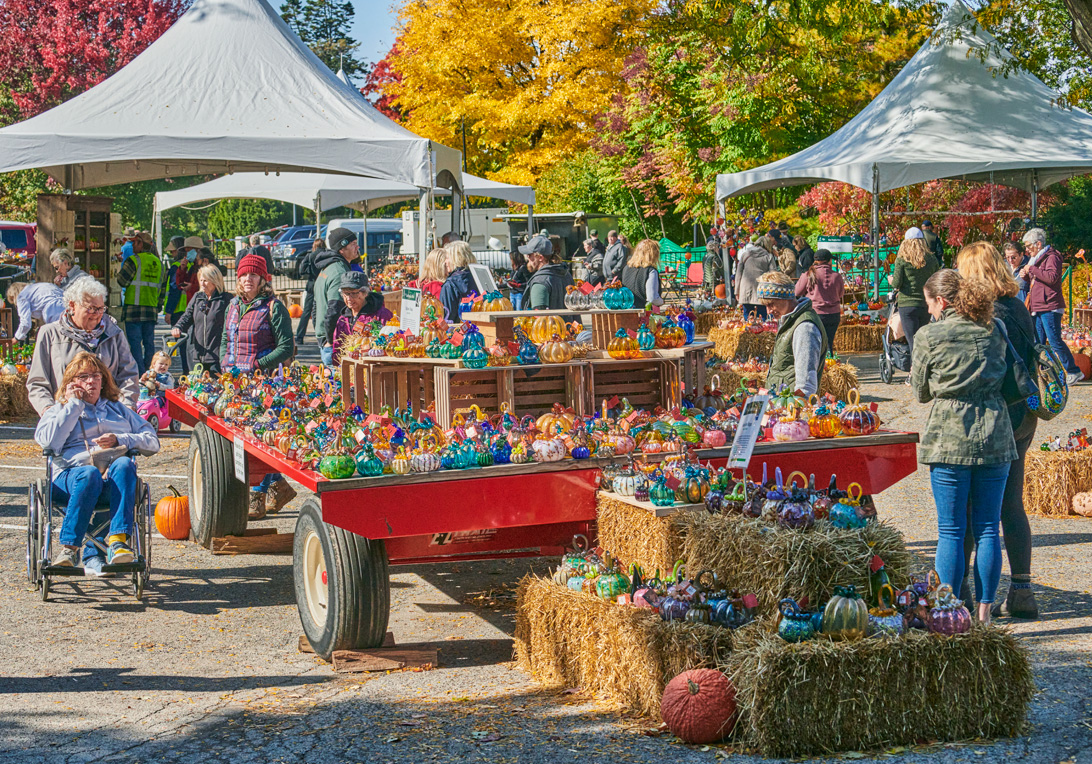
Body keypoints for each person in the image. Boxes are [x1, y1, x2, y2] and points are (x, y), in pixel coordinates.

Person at [912, 269, 1016, 625]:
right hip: (995, 431)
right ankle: (985, 612)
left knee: (951, 530)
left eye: (929, 304)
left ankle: (949, 611)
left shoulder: (930, 335)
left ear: (941, 301)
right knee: (989, 527)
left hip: (949, 434)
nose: (928, 312)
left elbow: (920, 392)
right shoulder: (995, 329)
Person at [957, 242, 1039, 618]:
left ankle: (963, 593)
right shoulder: (1019, 307)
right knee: (1012, 504)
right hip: (1024, 411)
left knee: (976, 506)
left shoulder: (986, 314)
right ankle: (1022, 590)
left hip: (995, 414)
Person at [34, 352, 159, 575]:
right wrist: (73, 406)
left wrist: (121, 439)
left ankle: (118, 541)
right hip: (70, 480)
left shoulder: (119, 410)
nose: (91, 381)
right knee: (89, 473)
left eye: (96, 375)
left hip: (110, 481)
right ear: (71, 382)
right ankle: (70, 549)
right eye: (83, 376)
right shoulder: (58, 410)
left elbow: (152, 442)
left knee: (124, 464)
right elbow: (48, 443)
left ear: (103, 380)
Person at [220, 253, 296, 518]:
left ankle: (257, 496)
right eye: (243, 275)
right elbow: (225, 340)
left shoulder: (274, 308)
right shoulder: (232, 307)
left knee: (259, 439)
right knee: (244, 439)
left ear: (264, 280)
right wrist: (223, 362)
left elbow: (287, 347)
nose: (247, 279)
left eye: (253, 275)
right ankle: (279, 485)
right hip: (235, 384)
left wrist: (258, 364)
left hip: (264, 386)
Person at [27, 278, 140, 415]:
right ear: (72, 306)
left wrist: (126, 406)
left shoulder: (113, 333)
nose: (97, 315)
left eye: (100, 309)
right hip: (64, 415)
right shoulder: (50, 333)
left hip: (108, 416)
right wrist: (48, 410)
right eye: (91, 309)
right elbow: (37, 382)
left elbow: (128, 374)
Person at [1019, 227, 1082, 385]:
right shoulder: (1036, 259)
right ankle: (1043, 372)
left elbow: (1052, 278)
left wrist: (1032, 269)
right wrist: (1027, 277)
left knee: (1054, 340)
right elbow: (1038, 283)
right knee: (1039, 342)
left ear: (1038, 244)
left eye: (1028, 246)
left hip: (1050, 306)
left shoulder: (1052, 257)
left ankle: (1074, 370)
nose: (1026, 250)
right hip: (1039, 305)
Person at [757, 271, 828, 397]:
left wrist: (797, 411)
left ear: (786, 298)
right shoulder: (789, 320)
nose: (768, 311)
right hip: (781, 403)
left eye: (771, 304)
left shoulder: (804, 327)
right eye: (765, 306)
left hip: (791, 408)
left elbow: (806, 384)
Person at [888, 227, 940, 376]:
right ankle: (925, 371)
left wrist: (891, 280)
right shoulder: (931, 259)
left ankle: (915, 374)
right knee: (922, 339)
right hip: (926, 304)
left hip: (907, 305)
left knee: (912, 340)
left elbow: (897, 283)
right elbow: (936, 279)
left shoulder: (902, 260)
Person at [117, 230, 163, 375]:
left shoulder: (133, 260)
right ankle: (151, 373)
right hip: (151, 310)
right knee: (149, 344)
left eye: (134, 242)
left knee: (135, 344)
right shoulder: (159, 263)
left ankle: (139, 374)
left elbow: (121, 281)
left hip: (134, 310)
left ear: (140, 243)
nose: (132, 245)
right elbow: (162, 288)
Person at [172, 264, 231, 376]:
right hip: (196, 354)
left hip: (217, 355)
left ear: (215, 281)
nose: (202, 284)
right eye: (201, 280)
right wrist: (178, 327)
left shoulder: (226, 299)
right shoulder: (197, 297)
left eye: (206, 280)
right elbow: (187, 316)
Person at [313, 227, 360, 366]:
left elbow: (315, 307)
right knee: (339, 386)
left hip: (325, 340)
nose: (357, 247)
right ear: (341, 249)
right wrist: (330, 340)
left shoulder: (327, 268)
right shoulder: (340, 272)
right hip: (333, 345)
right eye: (353, 244)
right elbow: (334, 309)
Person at [327, 272, 395, 361]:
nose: (349, 298)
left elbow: (390, 346)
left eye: (354, 293)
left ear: (365, 293)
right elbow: (337, 350)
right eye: (345, 293)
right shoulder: (343, 319)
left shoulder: (381, 315)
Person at [794, 248, 845, 346]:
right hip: (833, 314)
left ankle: (818, 361)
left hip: (814, 312)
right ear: (829, 260)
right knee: (829, 343)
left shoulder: (808, 274)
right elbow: (841, 294)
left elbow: (797, 292)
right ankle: (829, 359)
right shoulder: (837, 276)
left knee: (815, 344)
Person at [521, 236, 576, 311]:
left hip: (553, 323)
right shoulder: (566, 274)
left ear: (540, 257)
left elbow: (540, 317)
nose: (527, 257)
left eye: (530, 255)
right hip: (571, 322)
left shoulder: (540, 282)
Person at [735, 235, 779, 320]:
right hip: (762, 290)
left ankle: (748, 332)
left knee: (748, 318)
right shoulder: (768, 256)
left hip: (746, 289)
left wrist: (737, 291)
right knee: (763, 318)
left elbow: (738, 274)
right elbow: (774, 275)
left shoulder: (745, 254)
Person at [620, 239, 665, 310]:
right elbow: (652, 298)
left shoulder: (626, 268)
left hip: (627, 311)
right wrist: (661, 301)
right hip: (643, 313)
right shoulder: (650, 271)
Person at [294, 238, 324, 344]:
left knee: (307, 311)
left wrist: (309, 270)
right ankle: (321, 334)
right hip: (323, 284)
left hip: (312, 284)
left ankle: (300, 336)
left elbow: (301, 270)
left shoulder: (310, 255)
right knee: (323, 310)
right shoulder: (326, 255)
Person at [439, 240, 478, 321]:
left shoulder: (450, 284)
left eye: (447, 258)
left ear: (455, 258)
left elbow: (447, 318)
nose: (445, 262)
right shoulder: (478, 277)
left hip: (459, 331)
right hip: (482, 328)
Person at [163, 236, 189, 327]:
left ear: (178, 250)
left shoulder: (176, 267)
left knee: (179, 339)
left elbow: (174, 289)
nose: (171, 253)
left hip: (177, 310)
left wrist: (169, 311)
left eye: (173, 251)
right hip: (190, 308)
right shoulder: (192, 264)